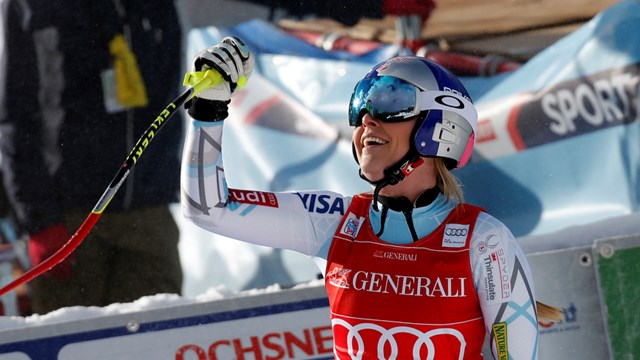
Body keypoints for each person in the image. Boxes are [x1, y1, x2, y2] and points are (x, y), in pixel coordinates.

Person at [181, 37, 541, 359]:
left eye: (389, 100)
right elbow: (209, 209)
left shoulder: (483, 241)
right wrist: (209, 112)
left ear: (440, 125)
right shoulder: (333, 221)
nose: (367, 119)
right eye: (360, 106)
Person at [0, 0, 183, 314]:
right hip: (68, 217)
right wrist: (39, 221)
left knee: (155, 340)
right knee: (71, 344)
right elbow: (14, 117)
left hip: (148, 210)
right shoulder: (27, 5)